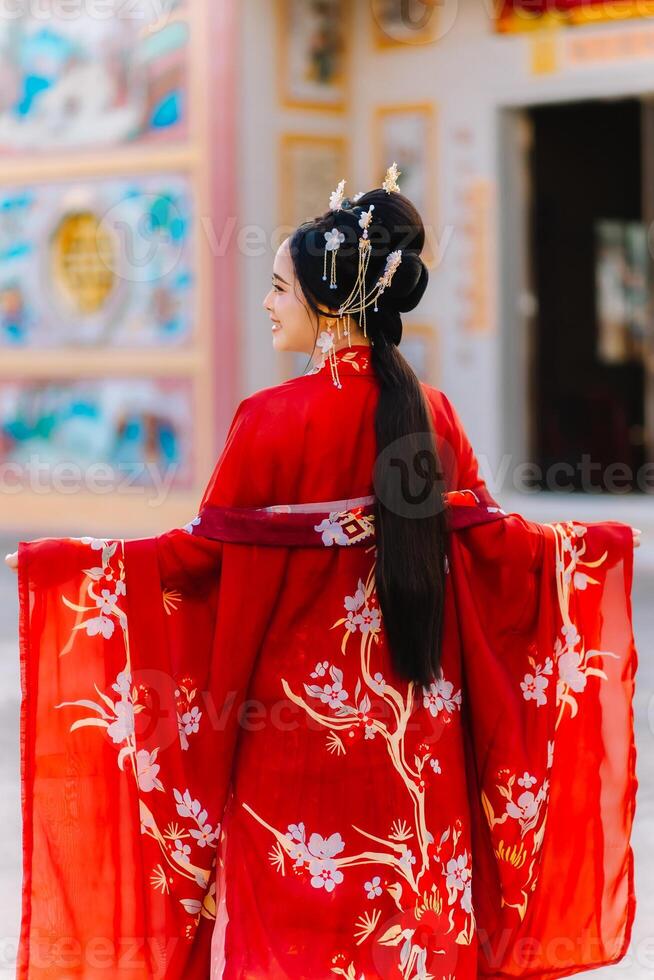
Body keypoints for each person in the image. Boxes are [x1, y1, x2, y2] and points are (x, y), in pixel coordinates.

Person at [5, 169, 640, 980]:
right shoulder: (428, 412)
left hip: (293, 750)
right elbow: (499, 551)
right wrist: (599, 547)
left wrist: (67, 564)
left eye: (277, 287)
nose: (268, 304)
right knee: (415, 933)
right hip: (420, 745)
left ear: (326, 304)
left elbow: (198, 564)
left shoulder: (269, 421)